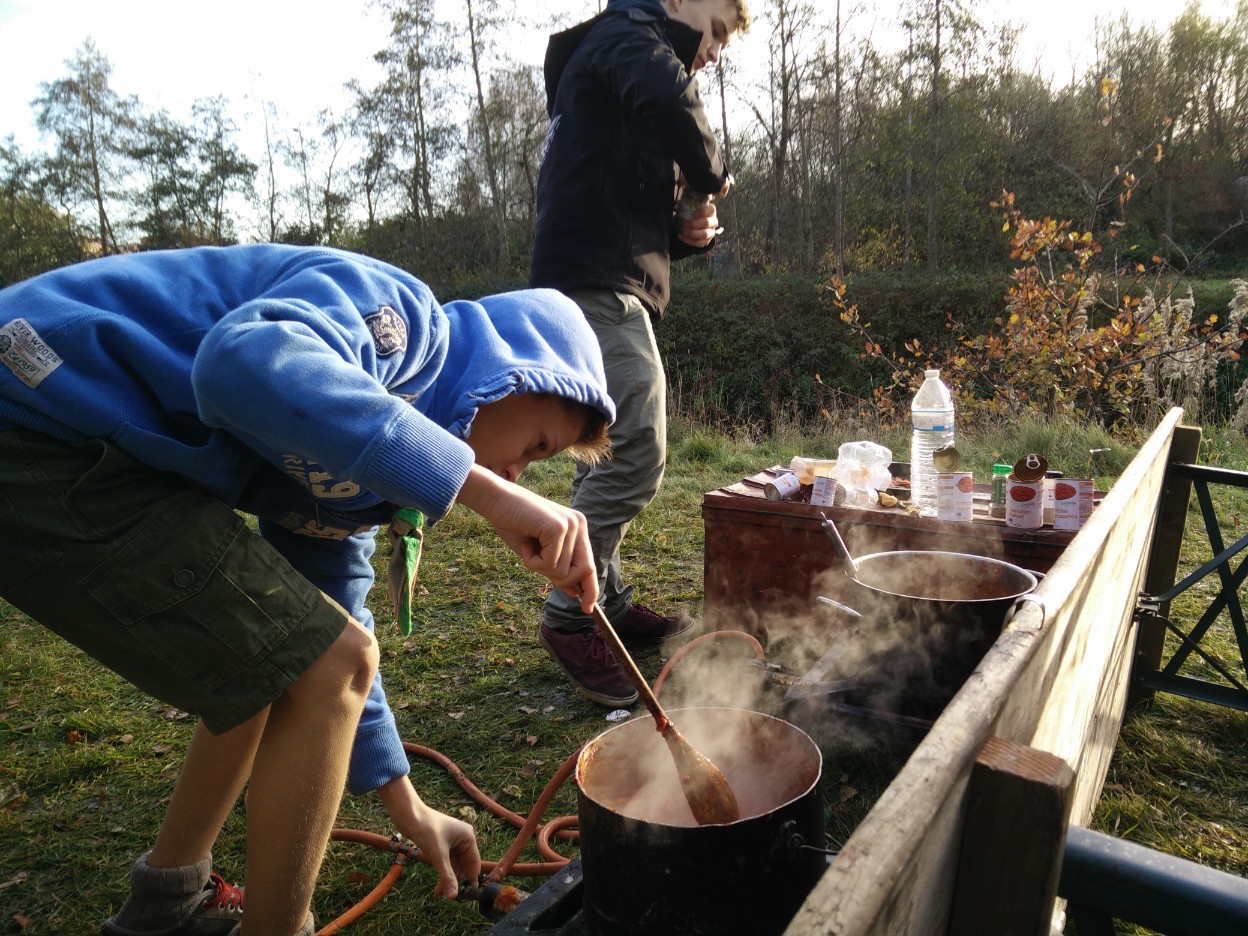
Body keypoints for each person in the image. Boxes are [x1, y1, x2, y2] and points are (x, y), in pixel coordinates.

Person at [0, 244, 615, 936]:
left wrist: (407, 805)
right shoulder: (404, 323)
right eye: (535, 447)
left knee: (287, 648)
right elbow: (239, 361)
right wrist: (479, 486)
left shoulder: (357, 486)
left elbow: (326, 612)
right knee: (320, 659)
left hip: (80, 444)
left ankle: (165, 904)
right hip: (33, 402)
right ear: (510, 375)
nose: (520, 474)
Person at [529, 0, 751, 706]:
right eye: (718, 30)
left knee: (600, 453)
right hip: (598, 289)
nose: (715, 50)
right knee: (637, 452)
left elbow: (615, 200)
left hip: (596, 275)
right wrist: (712, 174)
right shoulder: (629, 36)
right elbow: (668, 96)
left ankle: (607, 600)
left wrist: (684, 234)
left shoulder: (613, 62)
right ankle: (570, 616)